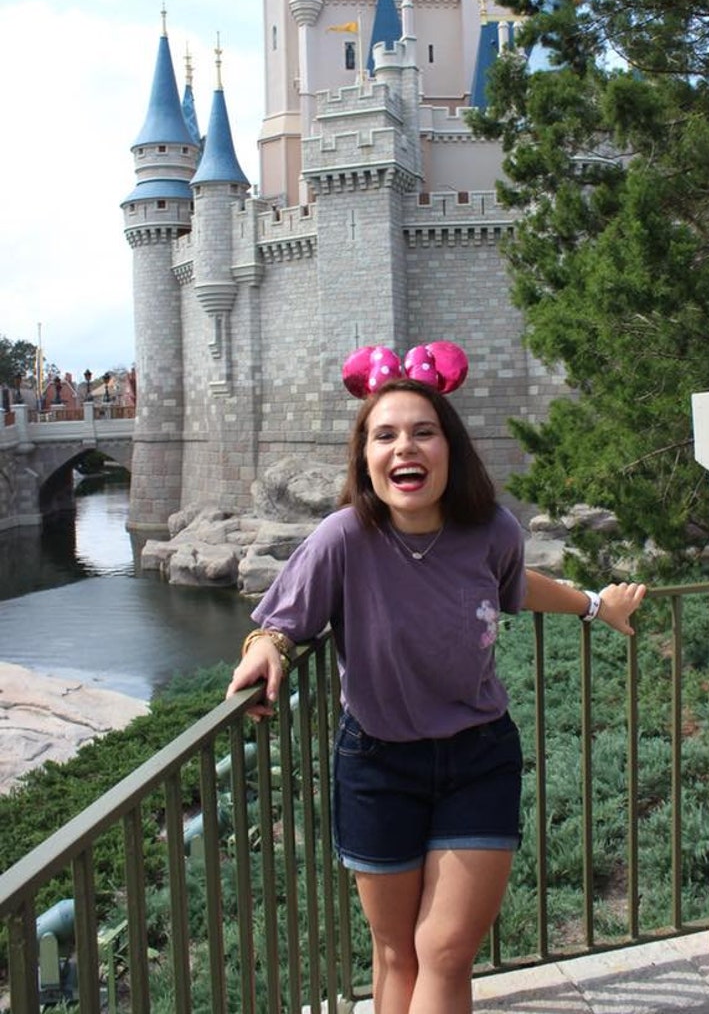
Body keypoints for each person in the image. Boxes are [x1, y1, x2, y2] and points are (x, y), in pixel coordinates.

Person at [227, 342, 645, 1014]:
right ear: (365, 458)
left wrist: (597, 604)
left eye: (423, 431)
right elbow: (281, 621)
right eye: (385, 435)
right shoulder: (342, 538)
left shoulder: (491, 531)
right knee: (397, 952)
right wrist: (266, 647)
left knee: (445, 948)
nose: (405, 448)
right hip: (377, 763)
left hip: (479, 758)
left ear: (450, 447)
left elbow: (518, 588)